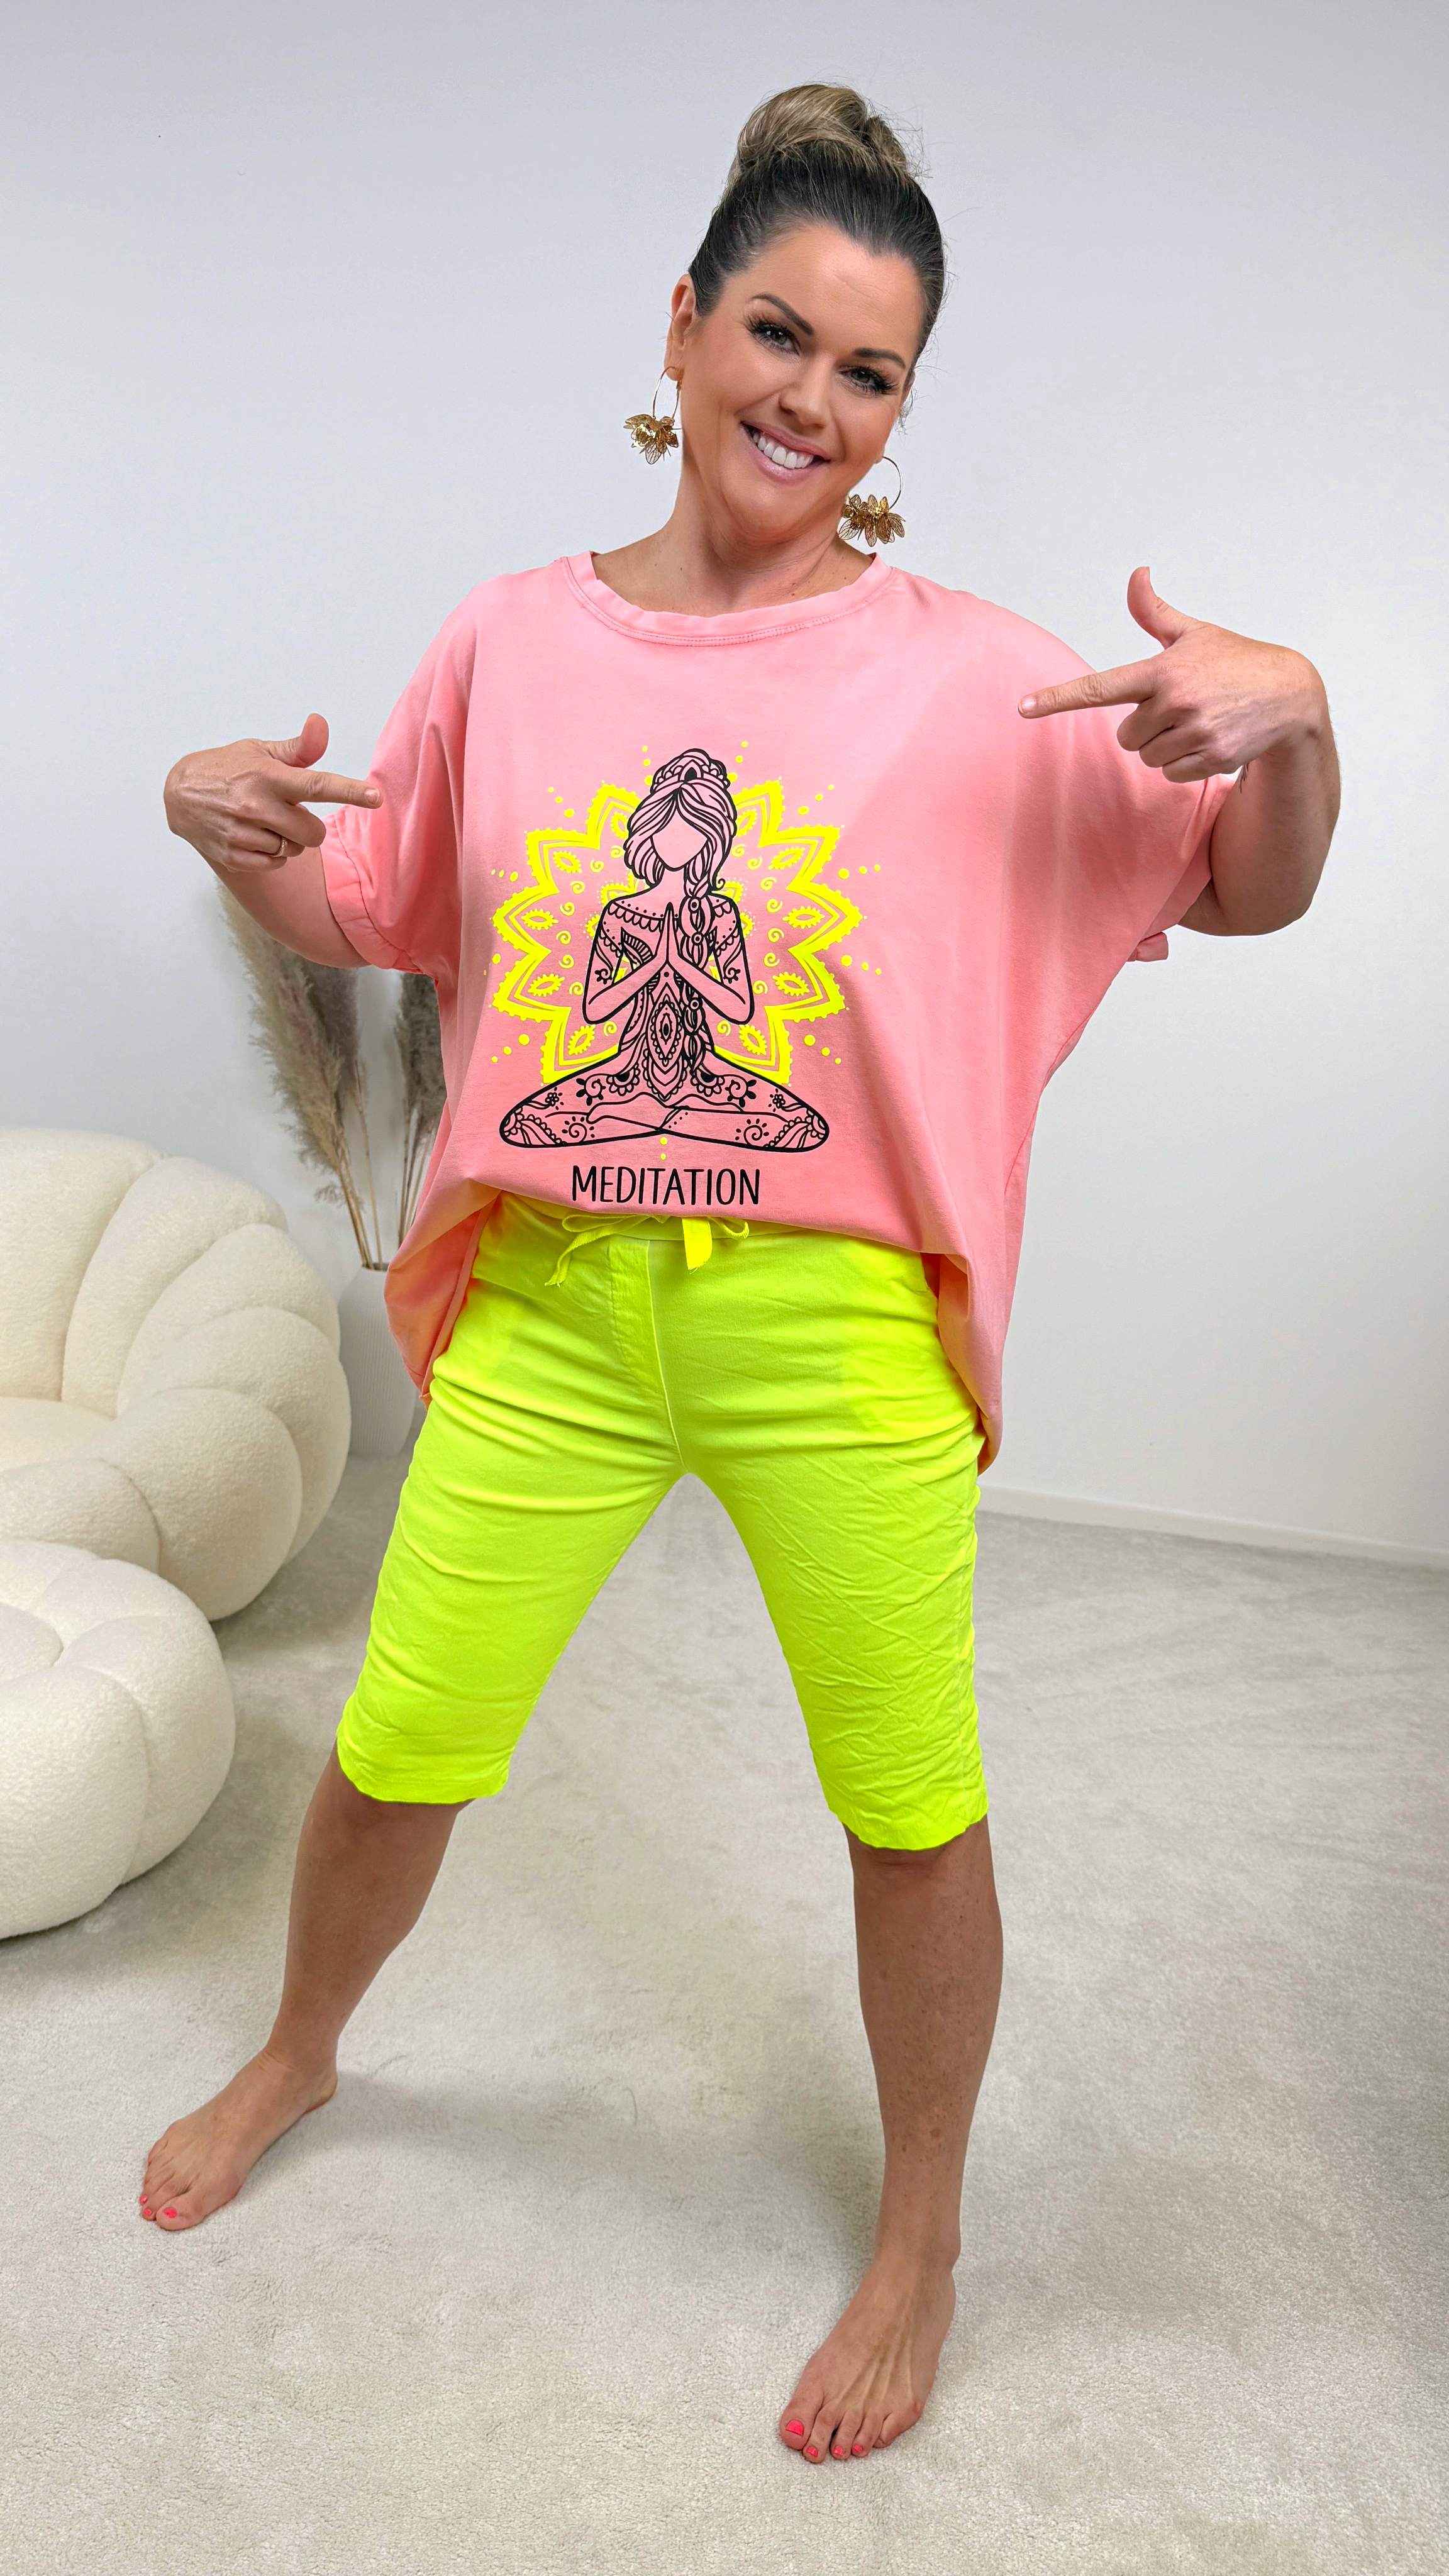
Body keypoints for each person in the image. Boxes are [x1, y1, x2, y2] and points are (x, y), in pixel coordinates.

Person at [148, 83, 1339, 2467]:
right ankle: (301, 2047)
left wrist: (1298, 721)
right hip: (559, 1308)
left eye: (871, 371)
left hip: (833, 1324)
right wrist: (220, 825)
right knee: (397, 1748)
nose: (811, 400)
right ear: (684, 324)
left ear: (905, 410)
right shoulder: (513, 639)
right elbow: (378, 904)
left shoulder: (980, 679)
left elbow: (1248, 885)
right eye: (778, 334)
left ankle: (925, 2236)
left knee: (910, 1803)